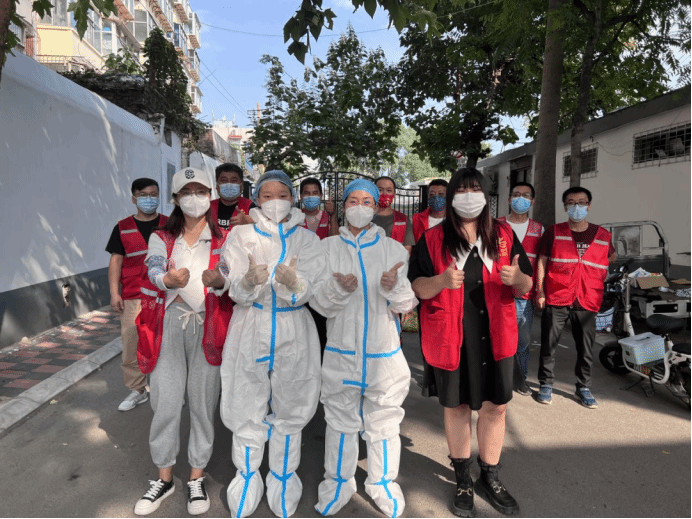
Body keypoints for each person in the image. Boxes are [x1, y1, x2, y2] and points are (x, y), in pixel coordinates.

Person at [409, 168, 533, 517]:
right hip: (452, 337)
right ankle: (463, 478)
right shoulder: (433, 238)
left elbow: (526, 286)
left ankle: (489, 476)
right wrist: (441, 281)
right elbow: (417, 287)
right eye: (460, 190)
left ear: (486, 195)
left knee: (495, 408)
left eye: (475, 189)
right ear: (450, 198)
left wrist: (518, 277)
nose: (468, 196)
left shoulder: (504, 235)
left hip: (497, 336)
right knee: (458, 407)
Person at [219, 170, 326, 518]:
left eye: (282, 194)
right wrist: (247, 283)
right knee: (245, 400)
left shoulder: (307, 240)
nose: (275, 201)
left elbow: (313, 286)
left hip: (295, 329)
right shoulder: (241, 235)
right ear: (257, 199)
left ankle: (282, 477)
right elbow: (232, 284)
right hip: (250, 324)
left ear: (293, 198)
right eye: (267, 195)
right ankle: (247, 476)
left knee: (291, 405)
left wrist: (296, 284)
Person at [312, 179, 418, 518]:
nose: (360, 207)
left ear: (376, 207)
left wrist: (394, 287)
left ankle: (383, 484)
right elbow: (320, 305)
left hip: (383, 355)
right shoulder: (327, 249)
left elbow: (407, 305)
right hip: (341, 353)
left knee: (384, 422)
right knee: (339, 422)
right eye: (353, 201)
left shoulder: (393, 249)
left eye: (367, 201)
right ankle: (338, 482)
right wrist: (339, 290)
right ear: (344, 206)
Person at [133, 168, 233, 516]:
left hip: (210, 323)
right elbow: (154, 268)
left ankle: (195, 477)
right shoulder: (162, 236)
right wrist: (168, 280)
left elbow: (230, 275)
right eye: (186, 192)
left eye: (200, 191)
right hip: (170, 324)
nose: (194, 198)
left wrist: (220, 281)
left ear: (210, 195)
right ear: (175, 199)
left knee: (203, 402)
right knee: (166, 400)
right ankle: (164, 478)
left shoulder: (224, 237)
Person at [535, 186, 616, 409]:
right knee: (549, 344)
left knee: (586, 348)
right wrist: (540, 291)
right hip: (557, 295)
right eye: (571, 202)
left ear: (589, 206)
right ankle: (546, 384)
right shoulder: (553, 231)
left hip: (587, 297)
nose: (576, 206)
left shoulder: (603, 235)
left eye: (581, 202)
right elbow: (542, 260)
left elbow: (611, 256)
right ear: (565, 207)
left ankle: (583, 387)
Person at [105, 178, 168, 412]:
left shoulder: (169, 224)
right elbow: (116, 261)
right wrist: (114, 293)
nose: (149, 199)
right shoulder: (122, 227)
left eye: (154, 194)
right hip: (134, 296)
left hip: (164, 295)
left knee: (165, 344)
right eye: (143, 195)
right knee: (132, 344)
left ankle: (166, 389)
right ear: (134, 198)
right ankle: (137, 389)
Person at [497, 182, 544, 396]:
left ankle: (520, 379)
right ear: (509, 199)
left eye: (526, 195)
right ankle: (497, 378)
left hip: (525, 296)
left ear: (532, 201)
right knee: (496, 338)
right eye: (516, 194)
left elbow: (542, 262)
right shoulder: (496, 225)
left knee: (522, 342)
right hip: (498, 292)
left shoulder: (539, 229)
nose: (520, 199)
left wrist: (540, 291)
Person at [298, 177, 339, 355]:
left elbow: (335, 240)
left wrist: (333, 215)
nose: (311, 196)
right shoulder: (294, 217)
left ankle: (322, 360)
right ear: (300, 196)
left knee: (321, 323)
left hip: (323, 278)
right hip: (301, 277)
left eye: (315, 193)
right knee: (302, 323)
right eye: (307, 193)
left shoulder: (327, 216)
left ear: (321, 195)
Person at [372, 176, 415, 254]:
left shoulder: (403, 219)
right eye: (380, 190)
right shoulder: (366, 218)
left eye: (389, 190)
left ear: (394, 194)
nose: (385, 194)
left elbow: (407, 250)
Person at [210, 162, 255, 230]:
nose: (229, 184)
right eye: (224, 180)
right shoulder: (208, 208)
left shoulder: (251, 207)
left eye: (234, 181)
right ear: (217, 186)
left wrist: (249, 222)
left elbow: (265, 229)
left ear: (241, 186)